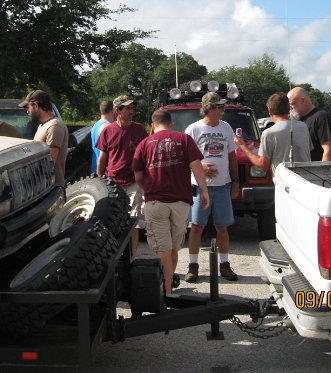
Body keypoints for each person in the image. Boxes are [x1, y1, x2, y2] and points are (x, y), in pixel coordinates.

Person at [133, 110, 210, 294]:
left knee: (163, 250)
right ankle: (168, 286)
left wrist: (149, 189)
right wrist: (204, 190)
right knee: (173, 248)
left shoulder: (144, 144)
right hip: (180, 202)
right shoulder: (183, 139)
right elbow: (196, 166)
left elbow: (138, 176)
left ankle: (165, 291)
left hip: (155, 202)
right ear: (171, 123)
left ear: (152, 125)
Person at [183, 92, 240, 282]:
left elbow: (232, 156)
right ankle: (193, 266)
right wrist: (200, 167)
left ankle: (225, 265)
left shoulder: (226, 128)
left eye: (223, 107)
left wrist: (236, 182)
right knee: (197, 226)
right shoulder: (193, 129)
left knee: (222, 227)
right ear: (208, 109)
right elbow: (184, 159)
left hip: (223, 186)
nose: (223, 110)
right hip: (200, 187)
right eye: (220, 107)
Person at [96, 95, 148, 257]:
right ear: (117, 110)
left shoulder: (139, 129)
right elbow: (103, 157)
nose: (132, 111)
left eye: (132, 108)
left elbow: (147, 155)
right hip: (113, 183)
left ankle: (131, 258)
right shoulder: (108, 130)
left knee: (133, 222)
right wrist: (100, 180)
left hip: (134, 182)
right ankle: (113, 258)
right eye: (128, 108)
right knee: (112, 222)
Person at [235, 92, 312, 177]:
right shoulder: (303, 126)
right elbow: (309, 149)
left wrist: (243, 146)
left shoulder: (269, 134)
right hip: (306, 182)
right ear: (288, 108)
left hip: (285, 185)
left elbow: (263, 166)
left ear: (270, 110)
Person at [19, 90, 69, 186]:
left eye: (28, 107)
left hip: (51, 188)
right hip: (42, 187)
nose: (27, 111)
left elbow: (49, 162)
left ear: (36, 106)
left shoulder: (54, 126)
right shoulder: (43, 125)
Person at [287, 87, 331, 161]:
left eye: (292, 104)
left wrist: (323, 171)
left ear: (303, 100)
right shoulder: (297, 119)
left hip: (314, 170)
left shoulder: (321, 117)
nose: (290, 108)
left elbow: (329, 150)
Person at [91, 100, 115, 174]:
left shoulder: (95, 125)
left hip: (94, 167)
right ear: (113, 111)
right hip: (103, 171)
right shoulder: (107, 127)